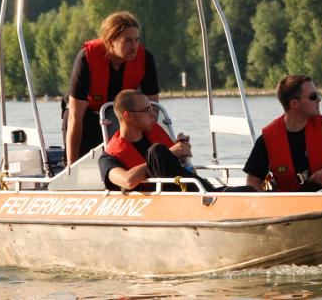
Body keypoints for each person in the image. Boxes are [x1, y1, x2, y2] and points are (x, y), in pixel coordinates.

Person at [99, 89, 254, 192]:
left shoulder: (155, 137)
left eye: (151, 109)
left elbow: (187, 171)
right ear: (128, 116)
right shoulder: (109, 158)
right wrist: (169, 154)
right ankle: (214, 193)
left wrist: (183, 156)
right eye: (147, 110)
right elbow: (128, 181)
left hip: (191, 192)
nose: (153, 115)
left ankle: (216, 193)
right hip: (159, 202)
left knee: (250, 191)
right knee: (157, 151)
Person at [63, 11, 159, 165]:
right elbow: (75, 117)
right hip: (86, 117)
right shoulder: (86, 59)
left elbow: (153, 110)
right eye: (127, 41)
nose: (134, 47)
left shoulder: (145, 59)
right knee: (81, 162)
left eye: (136, 40)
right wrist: (71, 167)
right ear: (110, 42)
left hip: (121, 117)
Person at [243, 74, 322, 192]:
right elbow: (253, 181)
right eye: (313, 96)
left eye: (318, 95)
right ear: (294, 103)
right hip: (287, 204)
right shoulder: (268, 138)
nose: (319, 100)